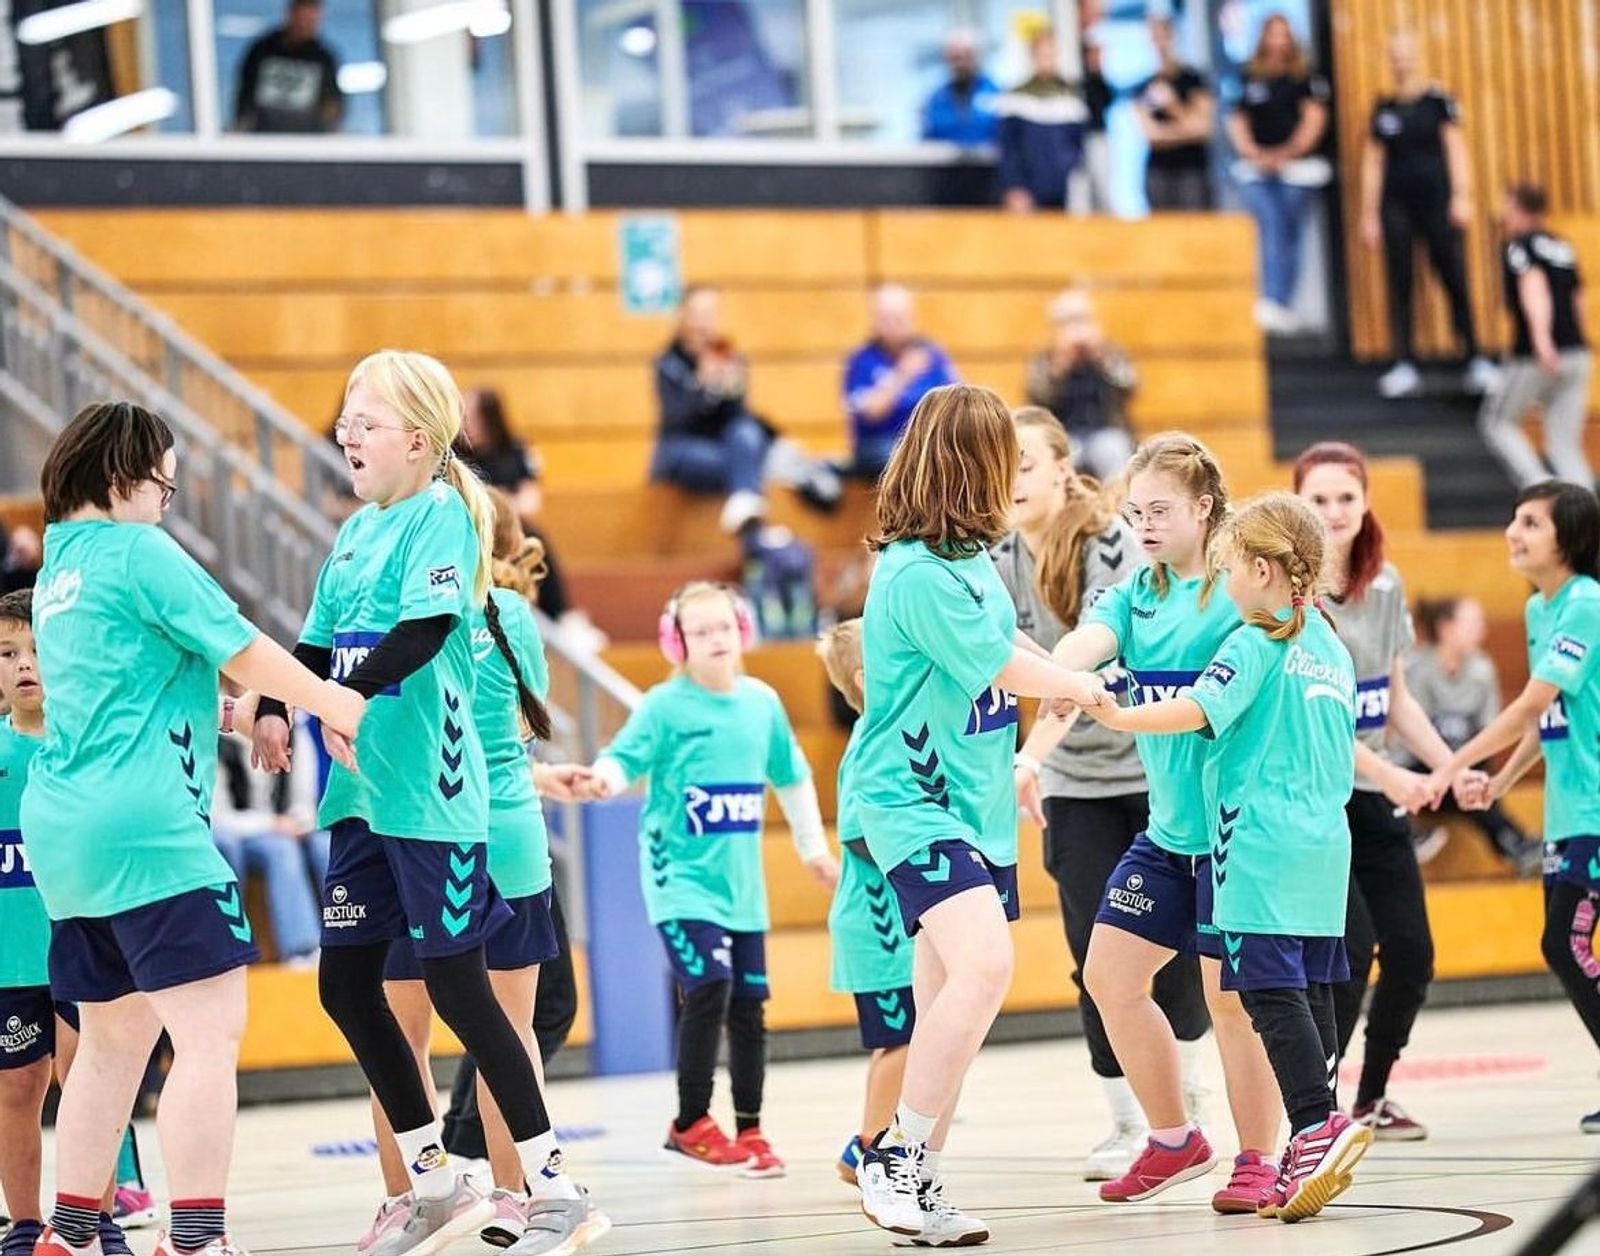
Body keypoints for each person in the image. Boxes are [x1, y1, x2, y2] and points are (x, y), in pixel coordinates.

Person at [250, 351, 602, 1256]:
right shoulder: (357, 532)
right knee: (344, 983)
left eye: (363, 423)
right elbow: (316, 642)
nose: (345, 436)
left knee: (458, 986)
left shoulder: (443, 514)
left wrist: (350, 698)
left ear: (418, 436)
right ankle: (436, 1180)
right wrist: (280, 702)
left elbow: (426, 627)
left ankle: (556, 1185)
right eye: (344, 421)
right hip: (360, 796)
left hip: (433, 795)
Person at [24, 400, 367, 1256]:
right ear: (121, 476)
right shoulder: (138, 553)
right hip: (148, 832)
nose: (166, 502)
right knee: (208, 1037)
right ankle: (198, 1240)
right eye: (163, 486)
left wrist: (228, 718)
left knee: (110, 1038)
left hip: (67, 834)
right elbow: (244, 647)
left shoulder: (61, 565)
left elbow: (124, 692)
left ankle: (69, 1232)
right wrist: (328, 701)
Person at [852, 383, 1111, 1244]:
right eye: (1004, 456)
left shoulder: (970, 561)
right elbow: (996, 660)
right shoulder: (915, 571)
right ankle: (894, 1157)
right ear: (973, 464)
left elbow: (1017, 644)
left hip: (977, 803)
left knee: (946, 1001)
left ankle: (918, 1179)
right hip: (910, 799)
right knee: (987, 966)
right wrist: (1073, 685)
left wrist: (1067, 673)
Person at [1085, 491, 1376, 1222]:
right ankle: (1310, 1137)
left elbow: (1197, 712)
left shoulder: (1255, 641)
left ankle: (1314, 1125)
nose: (1225, 585)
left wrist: (1117, 714)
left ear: (1262, 569)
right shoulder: (1329, 645)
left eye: (1230, 569)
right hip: (1323, 848)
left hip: (1256, 844)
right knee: (1308, 992)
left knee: (1265, 994)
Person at [360, 488, 608, 1256]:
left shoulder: (391, 621)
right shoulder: (511, 617)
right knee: (510, 1027)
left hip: (413, 833)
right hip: (503, 829)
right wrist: (540, 778)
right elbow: (505, 745)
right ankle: (518, 1198)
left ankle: (409, 1200)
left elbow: (417, 739)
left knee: (395, 1035)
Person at [1052, 433, 1282, 1213]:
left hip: (1233, 834)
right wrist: (1062, 673)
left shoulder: (1237, 593)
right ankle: (1175, 1137)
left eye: (1160, 510)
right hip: (1168, 832)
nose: (1143, 524)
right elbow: (1089, 641)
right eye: (1134, 510)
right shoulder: (1132, 593)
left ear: (1204, 509)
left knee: (1229, 1001)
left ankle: (1259, 1158)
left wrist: (1118, 710)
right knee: (1110, 976)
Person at [998, 410, 1210, 1182]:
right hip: (1075, 782)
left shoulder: (1109, 542)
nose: (1011, 479)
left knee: (1177, 949)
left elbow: (1096, 667)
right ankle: (1130, 1121)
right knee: (1093, 949)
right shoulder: (993, 558)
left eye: (1025, 463)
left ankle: (1181, 1095)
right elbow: (1002, 656)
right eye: (1002, 465)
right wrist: (1030, 760)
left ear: (1062, 467)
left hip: (1153, 770)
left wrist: (1032, 750)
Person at [585, 582, 838, 1176]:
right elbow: (624, 756)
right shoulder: (665, 706)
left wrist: (812, 850)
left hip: (741, 889)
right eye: (701, 632)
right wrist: (604, 779)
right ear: (678, 643)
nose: (716, 639)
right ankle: (690, 1121)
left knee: (750, 1006)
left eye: (724, 627)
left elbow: (792, 777)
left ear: (743, 630)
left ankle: (751, 1130)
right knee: (710, 986)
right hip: (681, 882)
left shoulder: (761, 703)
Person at [1294, 441, 1488, 1142]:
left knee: (1411, 951)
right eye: (1319, 498)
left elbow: (1395, 697)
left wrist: (1449, 764)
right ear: (1299, 504)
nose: (1335, 510)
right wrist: (1395, 774)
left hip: (1374, 796)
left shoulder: (1386, 585)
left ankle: (1371, 1096)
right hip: (1318, 798)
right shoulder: (1292, 596)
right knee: (1349, 950)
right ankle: (1315, 1110)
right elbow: (1319, 724)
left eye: (1347, 496)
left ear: (1366, 500)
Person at [1419, 481, 1600, 1130]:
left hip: (1596, 813)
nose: (1512, 532)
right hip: (1568, 810)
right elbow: (1544, 717)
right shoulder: (1537, 610)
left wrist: (1450, 764)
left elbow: (1527, 703)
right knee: (1564, 943)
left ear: (1568, 538)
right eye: (1512, 520)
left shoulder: (1584, 602)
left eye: (1530, 523)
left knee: (1563, 940)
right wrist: (1496, 785)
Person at [0, 590, 135, 1256]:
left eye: (38, 650)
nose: (25, 665)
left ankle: (96, 1216)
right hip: (11, 954)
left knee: (88, 1078)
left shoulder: (89, 743)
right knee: (17, 1085)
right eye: (8, 653)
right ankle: (25, 1223)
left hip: (82, 945)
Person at [815, 620, 916, 1189]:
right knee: (899, 1038)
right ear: (865, 678)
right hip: (878, 926)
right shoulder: (867, 746)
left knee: (910, 1035)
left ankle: (872, 1147)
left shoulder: (889, 734)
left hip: (894, 927)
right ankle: (869, 1149)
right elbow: (858, 834)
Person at [1361, 34, 1496, 400]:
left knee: (1453, 274)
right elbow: (1373, 162)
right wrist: (1370, 213)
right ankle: (1405, 362)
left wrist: (1462, 195)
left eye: (1407, 56)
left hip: (1437, 200)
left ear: (1416, 58)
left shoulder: (1438, 102)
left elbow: (1456, 149)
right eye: (1396, 57)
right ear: (1390, 61)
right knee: (1400, 280)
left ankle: (1474, 357)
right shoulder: (1383, 108)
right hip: (1396, 204)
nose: (1402, 63)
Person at [653, 287, 841, 537]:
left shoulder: (729, 357)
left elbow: (738, 417)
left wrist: (727, 386)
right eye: (698, 315)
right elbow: (678, 418)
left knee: (746, 434)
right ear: (682, 317)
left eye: (709, 315)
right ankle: (766, 500)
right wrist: (703, 388)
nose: (704, 324)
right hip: (685, 449)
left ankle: (750, 507)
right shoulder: (668, 364)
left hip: (727, 447)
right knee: (742, 465)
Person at [454, 387, 607, 654]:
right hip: (470, 528)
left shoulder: (516, 450)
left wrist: (499, 502)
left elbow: (530, 502)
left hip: (507, 525)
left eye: (477, 418)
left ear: (492, 419)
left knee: (536, 540)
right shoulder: (457, 455)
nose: (471, 426)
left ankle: (562, 615)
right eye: (467, 418)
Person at [1406, 597, 1541, 874]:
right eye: (1472, 623)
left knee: (1475, 781)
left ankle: (1515, 844)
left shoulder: (1482, 669)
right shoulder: (1416, 668)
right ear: (1445, 628)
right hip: (1420, 767)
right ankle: (1514, 843)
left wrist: (1460, 768)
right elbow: (1409, 736)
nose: (1481, 631)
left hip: (1461, 768)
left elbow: (1491, 730)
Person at [1479, 183, 1593, 490]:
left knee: (1497, 421)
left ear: (1518, 207)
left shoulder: (1520, 246)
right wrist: (1576, 340)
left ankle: (1539, 487)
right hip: (1578, 352)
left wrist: (1542, 341)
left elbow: (1534, 288)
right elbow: (1577, 297)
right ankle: (1585, 516)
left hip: (1537, 354)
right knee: (1564, 442)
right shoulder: (1562, 246)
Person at [1226, 15, 1330, 333]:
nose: (1278, 41)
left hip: (1294, 170)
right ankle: (1270, 298)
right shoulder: (1250, 77)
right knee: (1269, 227)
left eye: (1283, 35)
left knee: (1288, 234)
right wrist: (1254, 153)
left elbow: (1313, 121)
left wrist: (1286, 153)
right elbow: (1237, 119)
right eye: (1273, 34)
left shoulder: (1305, 79)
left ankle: (1282, 301)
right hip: (1257, 170)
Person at [211, 736, 323, 967]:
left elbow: (304, 801)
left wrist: (299, 823)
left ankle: (340, 942)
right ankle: (299, 949)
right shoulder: (216, 739)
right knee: (270, 848)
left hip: (280, 828)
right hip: (238, 829)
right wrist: (273, 823)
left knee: (326, 845)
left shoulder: (295, 736)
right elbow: (218, 817)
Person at [842, 286, 958, 479]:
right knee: (906, 456)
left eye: (901, 318)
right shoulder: (861, 361)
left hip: (928, 441)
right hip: (878, 445)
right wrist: (902, 375)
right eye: (888, 319)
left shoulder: (931, 355)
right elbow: (871, 413)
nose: (895, 325)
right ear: (875, 322)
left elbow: (958, 397)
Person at [1024, 290, 1136, 482]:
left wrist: (1102, 358)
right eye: (1067, 323)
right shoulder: (1046, 359)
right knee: (1058, 460)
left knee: (1114, 450)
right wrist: (1060, 365)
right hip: (1064, 434)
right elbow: (1037, 396)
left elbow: (1130, 386)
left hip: (1105, 431)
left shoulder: (1109, 353)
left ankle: (1119, 508)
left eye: (1082, 321)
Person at [997, 28, 1090, 214]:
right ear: (1032, 56)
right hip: (1027, 192)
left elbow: (1078, 147)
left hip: (1062, 189)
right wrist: (1014, 186)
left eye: (1050, 54)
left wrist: (1069, 176)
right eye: (1042, 55)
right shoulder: (1016, 98)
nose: (1046, 60)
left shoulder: (1071, 99)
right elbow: (1008, 149)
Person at [1135, 16, 1215, 211]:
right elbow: (1151, 136)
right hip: (1159, 172)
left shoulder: (1194, 80)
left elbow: (1204, 128)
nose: (1161, 44)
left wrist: (1173, 106)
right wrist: (1185, 130)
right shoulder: (1144, 86)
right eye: (1156, 38)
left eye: (1165, 37)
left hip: (1192, 170)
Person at [233, 0, 343, 134]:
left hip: (306, 140)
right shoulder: (262, 50)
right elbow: (245, 98)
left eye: (312, 19)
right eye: (303, 17)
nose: (306, 24)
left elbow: (332, 103)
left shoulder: (324, 58)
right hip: (263, 138)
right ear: (291, 14)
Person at [921, 30, 999, 146]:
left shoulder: (998, 97)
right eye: (955, 58)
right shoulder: (936, 100)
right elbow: (927, 138)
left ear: (977, 56)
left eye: (966, 56)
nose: (960, 64)